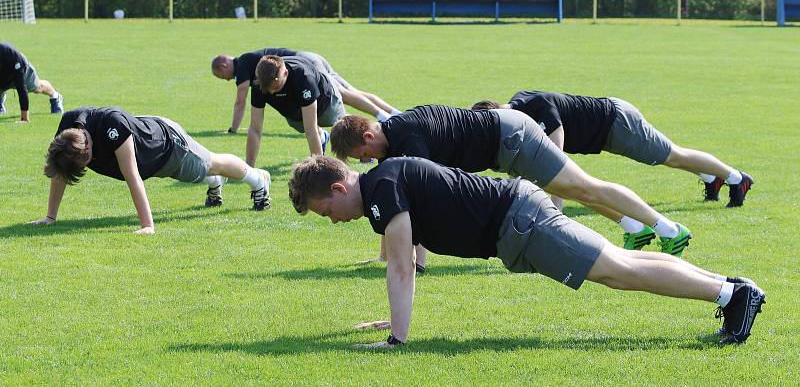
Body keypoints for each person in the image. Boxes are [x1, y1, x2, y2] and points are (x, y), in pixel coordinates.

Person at [288, 155, 765, 348]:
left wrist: (397, 339)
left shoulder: (382, 189)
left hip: (519, 223)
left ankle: (731, 295)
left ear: (336, 186)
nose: (332, 219)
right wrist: (392, 321)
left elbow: (401, 265)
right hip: (519, 215)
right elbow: (404, 261)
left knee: (617, 270)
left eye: (324, 209)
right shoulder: (384, 179)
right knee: (623, 262)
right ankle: (730, 288)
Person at [330, 105, 692, 255]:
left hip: (512, 138)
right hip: (506, 144)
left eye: (366, 155)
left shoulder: (407, 139)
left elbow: (424, 197)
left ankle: (668, 228)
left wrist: (412, 259)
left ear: (366, 136)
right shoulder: (395, 134)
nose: (370, 162)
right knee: (573, 187)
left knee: (583, 185)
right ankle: (634, 226)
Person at [472, 91, 753, 210]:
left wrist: (555, 209)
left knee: (671, 155)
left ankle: (736, 178)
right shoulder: (519, 110)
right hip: (607, 131)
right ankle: (711, 178)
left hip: (617, 123)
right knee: (668, 159)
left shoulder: (531, 105)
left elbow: (555, 154)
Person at [31, 106, 271, 234]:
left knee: (211, 163)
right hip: (150, 151)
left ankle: (257, 179)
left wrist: (147, 225)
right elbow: (59, 173)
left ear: (89, 150)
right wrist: (51, 217)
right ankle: (214, 182)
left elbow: (133, 177)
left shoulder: (111, 126)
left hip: (169, 147)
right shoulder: (68, 129)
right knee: (203, 173)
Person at [211, 49, 401, 160]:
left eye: (275, 87)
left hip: (317, 78)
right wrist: (249, 169)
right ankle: (382, 115)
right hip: (295, 99)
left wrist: (319, 166)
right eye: (268, 89)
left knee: (344, 122)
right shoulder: (261, 83)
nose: (271, 93)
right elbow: (255, 129)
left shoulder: (303, 76)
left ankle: (383, 120)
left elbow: (310, 129)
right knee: (343, 99)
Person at [0, 42, 64, 121]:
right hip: (3, 74)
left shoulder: (10, 54)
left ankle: (55, 96)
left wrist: (24, 118)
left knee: (38, 87)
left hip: (20, 70)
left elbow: (22, 88)